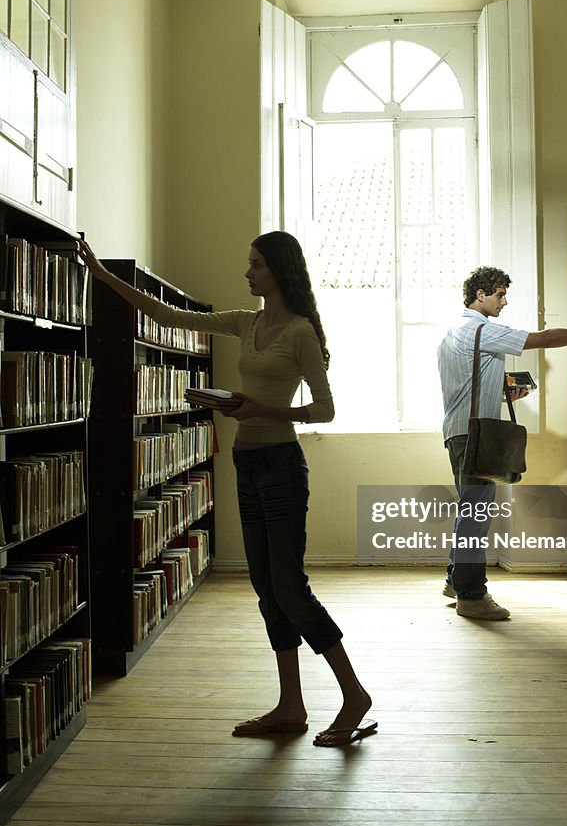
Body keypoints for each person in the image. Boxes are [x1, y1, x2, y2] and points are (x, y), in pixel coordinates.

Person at [79, 232, 375, 747]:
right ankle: (291, 705)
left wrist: (260, 410)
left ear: (279, 271)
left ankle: (353, 693)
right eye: (249, 265)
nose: (247, 273)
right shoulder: (246, 322)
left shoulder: (301, 332)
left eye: (256, 265)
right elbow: (170, 317)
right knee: (265, 587)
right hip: (247, 463)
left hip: (282, 464)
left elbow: (324, 409)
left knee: (289, 586)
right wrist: (102, 277)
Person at [438, 265, 567, 621]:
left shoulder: (453, 331)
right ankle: (472, 595)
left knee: (470, 509)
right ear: (480, 295)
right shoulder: (481, 329)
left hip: (458, 430)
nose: (504, 302)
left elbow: (466, 384)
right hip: (475, 433)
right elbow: (544, 338)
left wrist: (507, 390)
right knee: (477, 514)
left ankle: (455, 580)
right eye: (499, 295)